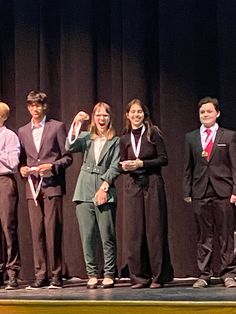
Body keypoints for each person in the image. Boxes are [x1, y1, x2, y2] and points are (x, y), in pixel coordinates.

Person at [18, 91, 72, 290]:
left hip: (52, 186)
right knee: (37, 232)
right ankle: (41, 275)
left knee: (53, 231)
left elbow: (68, 157)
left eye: (38, 105)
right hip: (32, 189)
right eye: (32, 105)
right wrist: (21, 169)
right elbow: (21, 160)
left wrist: (53, 166)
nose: (35, 109)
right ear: (28, 107)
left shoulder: (56, 127)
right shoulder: (23, 131)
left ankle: (56, 275)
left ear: (44, 106)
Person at [119, 98, 174, 289]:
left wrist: (142, 163)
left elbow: (164, 159)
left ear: (144, 114)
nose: (136, 115)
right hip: (133, 186)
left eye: (139, 112)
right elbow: (121, 163)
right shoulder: (124, 138)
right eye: (133, 112)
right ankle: (139, 277)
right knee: (135, 232)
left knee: (155, 231)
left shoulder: (153, 133)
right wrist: (126, 166)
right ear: (127, 115)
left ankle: (158, 277)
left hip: (153, 183)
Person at [183, 96, 236, 288]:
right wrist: (187, 191)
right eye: (202, 112)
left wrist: (235, 190)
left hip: (224, 191)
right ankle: (204, 274)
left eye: (209, 111)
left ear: (218, 113)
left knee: (225, 234)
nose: (205, 115)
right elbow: (188, 167)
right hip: (200, 191)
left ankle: (228, 273)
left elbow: (234, 165)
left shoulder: (228, 136)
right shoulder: (191, 137)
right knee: (204, 235)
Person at [65, 102, 120, 289]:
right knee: (87, 236)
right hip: (84, 188)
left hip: (105, 188)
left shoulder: (116, 141)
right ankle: (91, 274)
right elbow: (70, 146)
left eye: (105, 115)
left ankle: (109, 273)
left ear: (110, 118)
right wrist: (76, 123)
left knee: (107, 235)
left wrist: (104, 187)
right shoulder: (86, 137)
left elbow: (115, 165)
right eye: (98, 115)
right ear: (93, 118)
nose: (102, 119)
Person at [0, 102, 20, 290]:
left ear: (3, 117)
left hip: (4, 181)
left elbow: (14, 163)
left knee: (8, 227)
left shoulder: (10, 136)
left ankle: (12, 272)